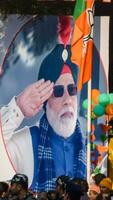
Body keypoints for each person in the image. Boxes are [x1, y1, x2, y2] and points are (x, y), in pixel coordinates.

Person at [1, 16, 87, 192]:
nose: (67, 100)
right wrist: (17, 108)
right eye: (57, 91)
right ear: (45, 101)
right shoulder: (24, 142)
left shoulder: (89, 142)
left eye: (72, 90)